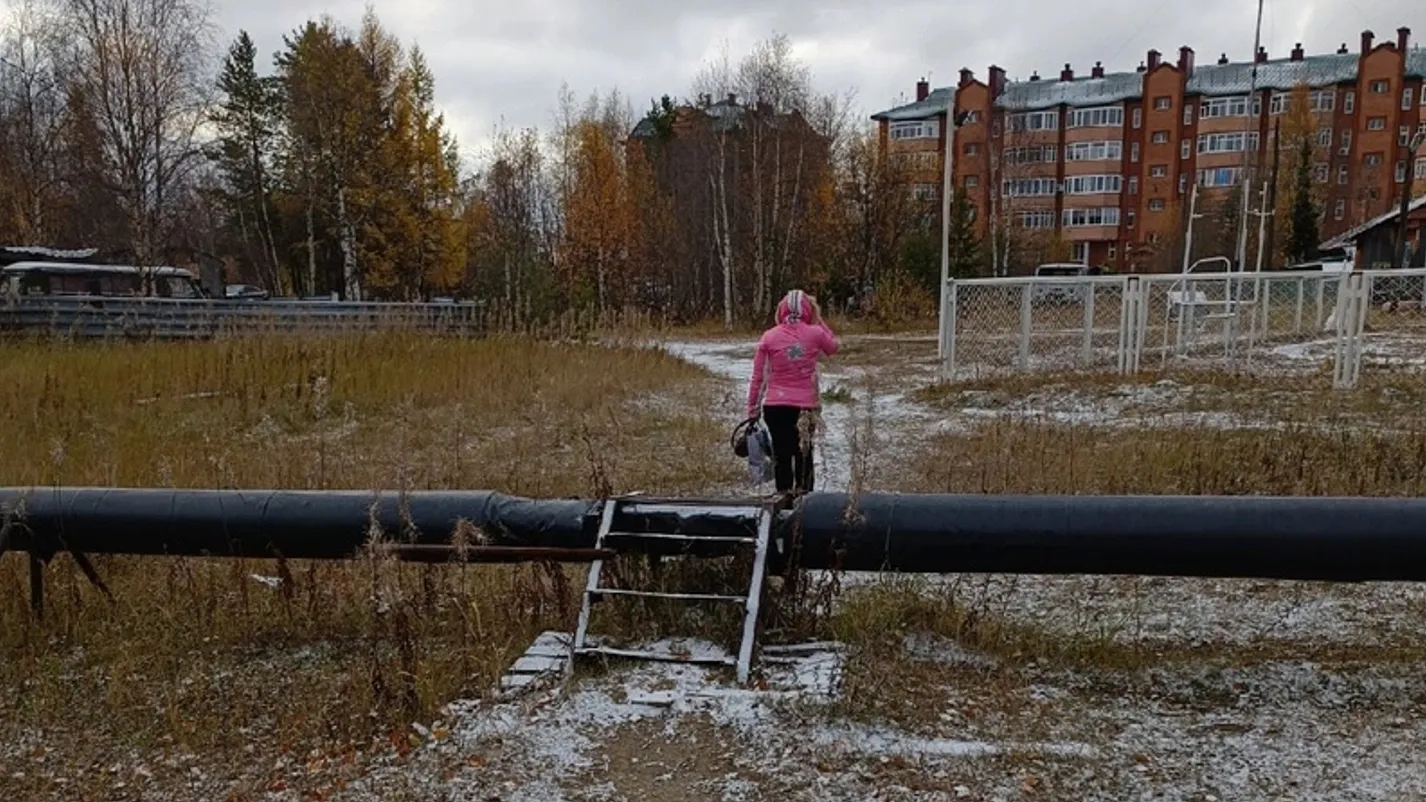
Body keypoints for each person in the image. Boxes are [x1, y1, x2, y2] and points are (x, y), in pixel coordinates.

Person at [746, 289, 839, 494]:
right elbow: (833, 347)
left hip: (775, 406)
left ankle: (784, 503)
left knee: (782, 455)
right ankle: (805, 505)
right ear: (808, 311)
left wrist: (752, 408)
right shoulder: (816, 334)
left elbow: (758, 377)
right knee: (804, 455)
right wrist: (818, 320)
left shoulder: (769, 337)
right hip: (805, 408)